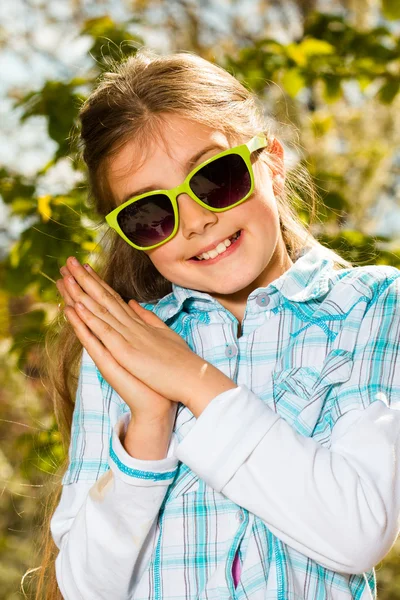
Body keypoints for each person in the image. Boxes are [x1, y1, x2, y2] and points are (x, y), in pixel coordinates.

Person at [36, 48, 400, 600]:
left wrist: (192, 380)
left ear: (272, 164)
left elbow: (357, 533)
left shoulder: (372, 306)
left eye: (214, 178)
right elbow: (87, 588)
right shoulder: (120, 346)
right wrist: (149, 426)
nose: (195, 220)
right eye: (149, 212)